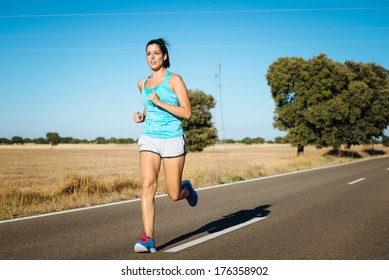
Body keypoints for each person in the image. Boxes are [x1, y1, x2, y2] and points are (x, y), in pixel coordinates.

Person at [132, 38, 198, 253]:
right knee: (148, 185)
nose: (152, 57)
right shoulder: (142, 83)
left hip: (172, 139)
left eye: (156, 53)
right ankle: (148, 238)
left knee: (173, 194)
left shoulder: (174, 80)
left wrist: (160, 102)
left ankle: (186, 190)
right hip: (150, 137)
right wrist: (142, 115)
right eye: (148, 53)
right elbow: (149, 109)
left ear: (165, 56)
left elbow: (186, 112)